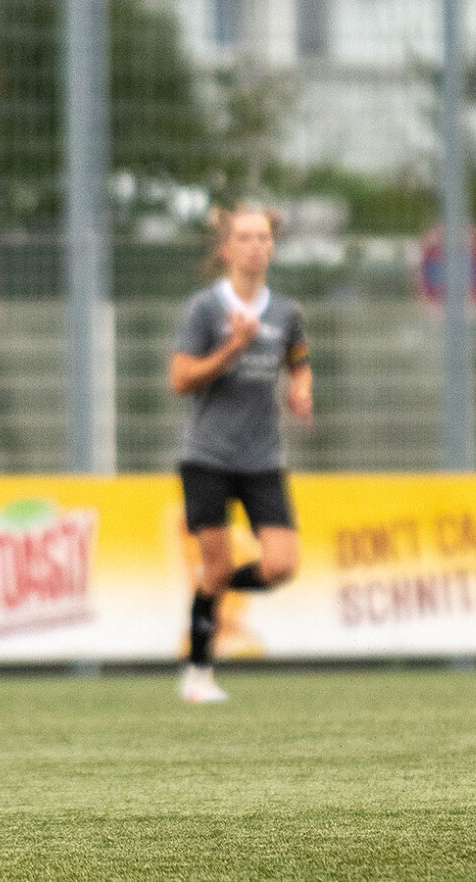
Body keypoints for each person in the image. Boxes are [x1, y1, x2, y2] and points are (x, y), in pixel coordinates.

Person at [169, 205, 312, 704]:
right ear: (227, 248)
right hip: (207, 455)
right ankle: (198, 672)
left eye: (264, 238)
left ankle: (213, 593)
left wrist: (301, 390)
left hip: (262, 458)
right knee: (216, 565)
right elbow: (180, 379)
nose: (256, 246)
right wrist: (232, 349)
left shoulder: (285, 312)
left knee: (280, 564)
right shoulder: (205, 310)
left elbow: (298, 358)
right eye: (246, 238)